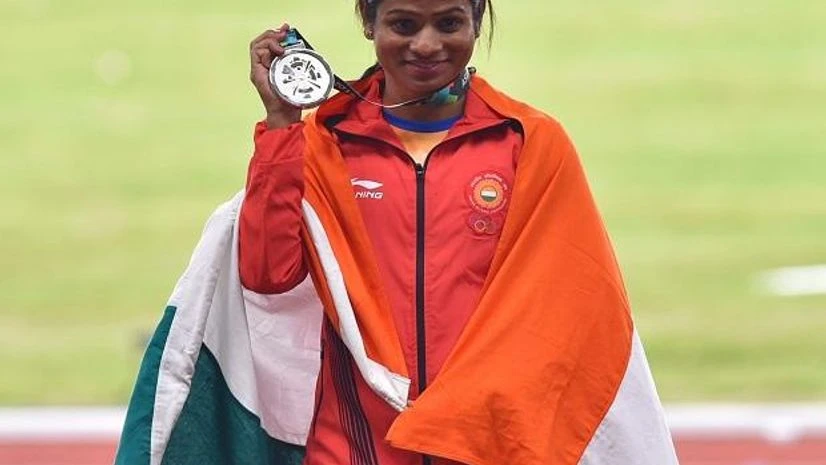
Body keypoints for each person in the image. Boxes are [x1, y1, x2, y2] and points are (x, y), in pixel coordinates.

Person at [239, 0, 678, 464]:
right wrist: (282, 125)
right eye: (403, 24)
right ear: (369, 24)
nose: (426, 45)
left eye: (448, 23)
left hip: (486, 449)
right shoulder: (322, 145)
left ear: (476, 23)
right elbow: (269, 274)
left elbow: (575, 309)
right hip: (356, 448)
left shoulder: (528, 143)